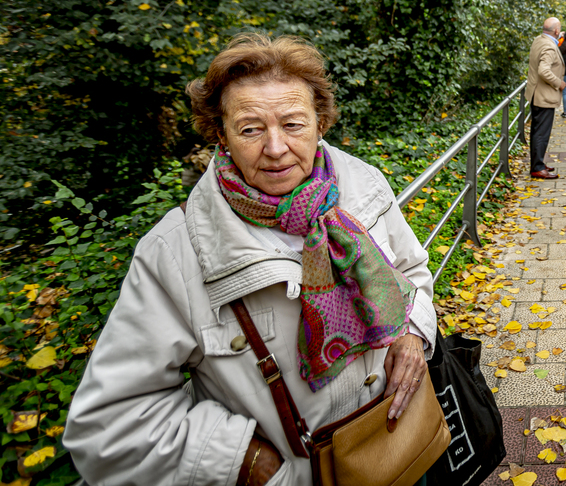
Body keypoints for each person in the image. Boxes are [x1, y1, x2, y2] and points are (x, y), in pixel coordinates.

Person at [65, 34, 438, 486]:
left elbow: (412, 270)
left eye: (294, 124)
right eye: (250, 129)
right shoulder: (176, 252)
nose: (276, 147)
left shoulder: (363, 185)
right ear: (221, 135)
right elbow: (110, 427)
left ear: (321, 123)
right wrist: (252, 465)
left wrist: (413, 334)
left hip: (401, 444)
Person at [526, 17, 566, 179]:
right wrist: (559, 83)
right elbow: (544, 70)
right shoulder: (549, 47)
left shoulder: (539, 40)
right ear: (556, 31)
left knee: (537, 131)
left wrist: (558, 40)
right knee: (541, 133)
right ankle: (537, 167)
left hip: (536, 94)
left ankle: (538, 163)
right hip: (544, 96)